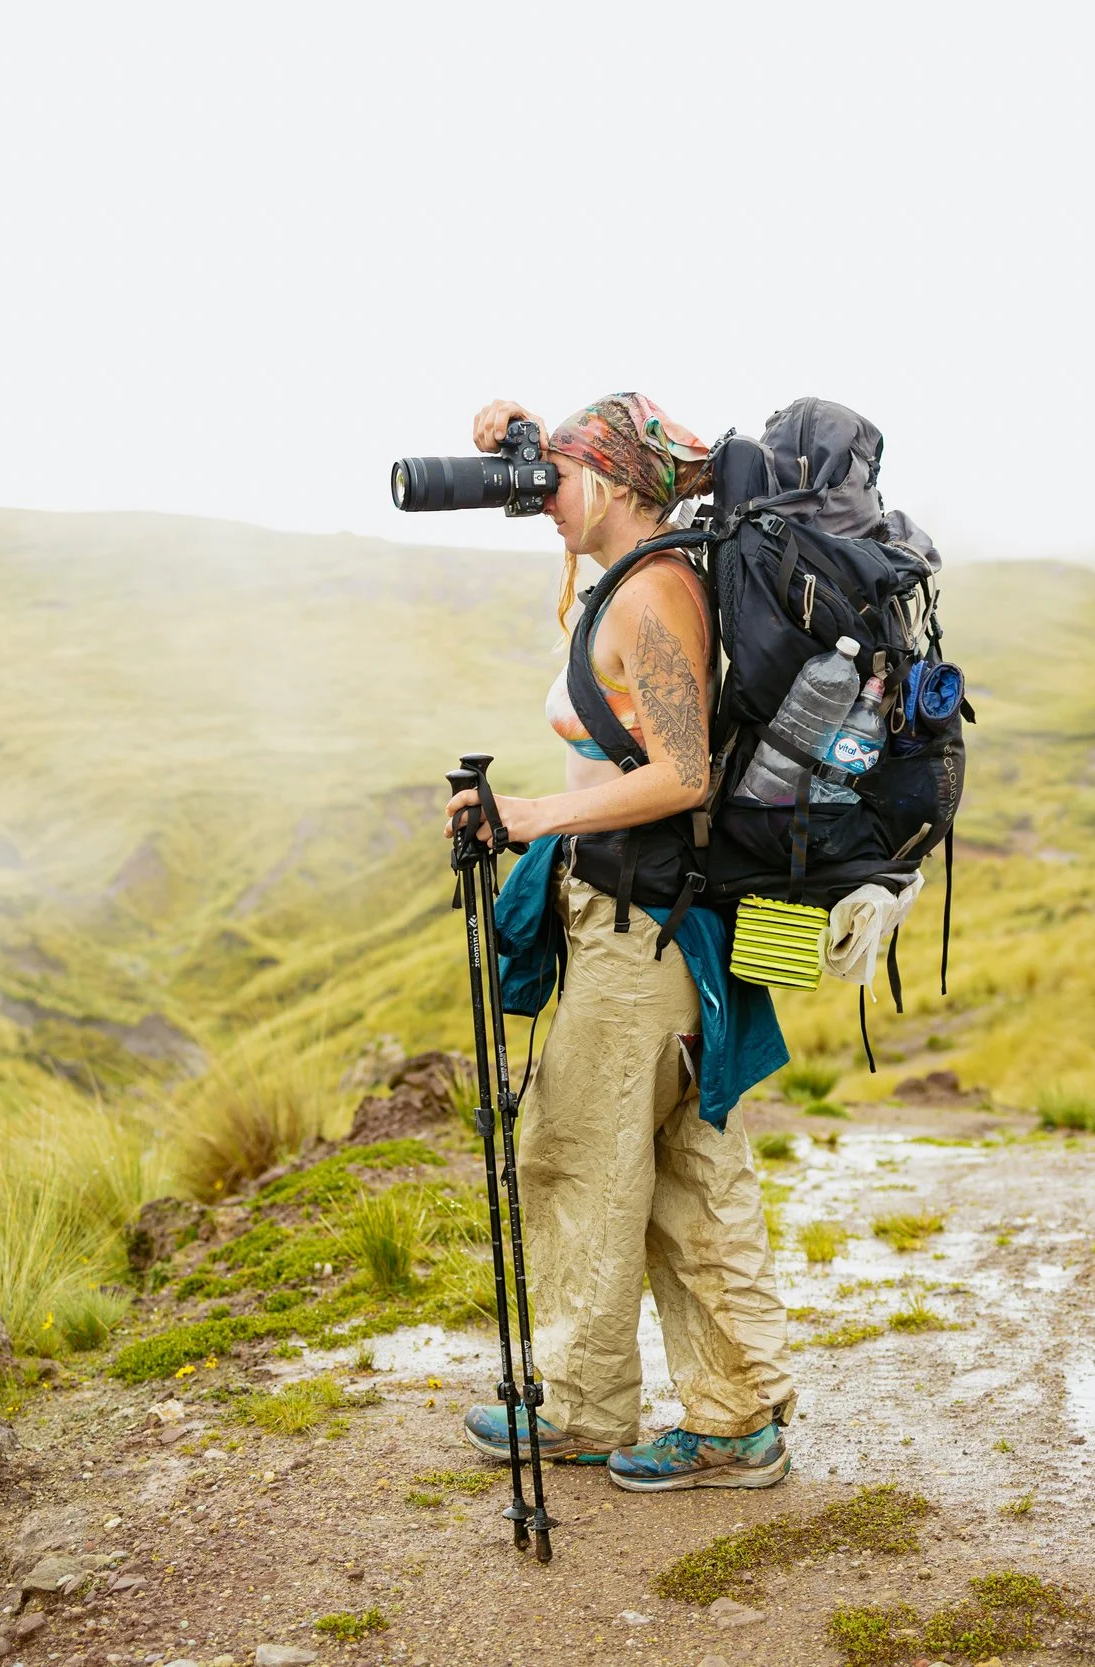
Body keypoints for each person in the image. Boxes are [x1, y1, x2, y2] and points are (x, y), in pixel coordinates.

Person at [442, 393, 797, 1491]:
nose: (544, 499)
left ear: (617, 481)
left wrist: (528, 819)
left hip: (640, 928)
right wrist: (520, 438)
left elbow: (681, 772)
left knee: (581, 1154)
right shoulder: (652, 568)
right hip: (676, 921)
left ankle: (591, 1406)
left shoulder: (650, 595)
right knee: (692, 1173)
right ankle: (735, 1419)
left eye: (561, 478)